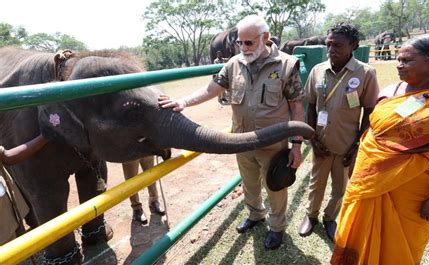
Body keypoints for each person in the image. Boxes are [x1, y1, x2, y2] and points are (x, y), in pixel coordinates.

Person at [158, 15, 305, 250]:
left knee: (276, 187)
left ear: (265, 37)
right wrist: (183, 102)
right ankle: (255, 215)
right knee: (249, 184)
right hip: (240, 142)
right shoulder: (234, 64)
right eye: (240, 42)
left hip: (273, 144)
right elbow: (211, 88)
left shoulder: (286, 65)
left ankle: (277, 227)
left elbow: (297, 105)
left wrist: (296, 145)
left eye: (249, 42)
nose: (243, 48)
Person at [331, 33, 429, 264]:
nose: (399, 65)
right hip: (367, 181)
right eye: (398, 59)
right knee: (356, 236)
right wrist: (358, 158)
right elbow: (372, 130)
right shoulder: (390, 90)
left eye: (407, 60)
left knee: (397, 249)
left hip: (410, 196)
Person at [298, 22, 379, 241]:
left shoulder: (366, 73)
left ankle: (329, 218)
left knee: (340, 186)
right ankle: (311, 216)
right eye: (329, 44)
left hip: (347, 145)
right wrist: (312, 138)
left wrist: (357, 145)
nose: (331, 49)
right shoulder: (318, 71)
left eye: (338, 45)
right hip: (321, 142)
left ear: (353, 45)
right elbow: (312, 108)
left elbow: (370, 111)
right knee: (316, 183)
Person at [1, 135, 49, 245]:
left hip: (10, 213)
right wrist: (45, 137)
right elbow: (8, 157)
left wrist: (44, 137)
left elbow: (7, 156)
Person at [122, 154, 169, 225]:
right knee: (131, 179)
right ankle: (136, 208)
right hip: (129, 148)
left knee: (151, 174)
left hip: (146, 146)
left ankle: (154, 201)